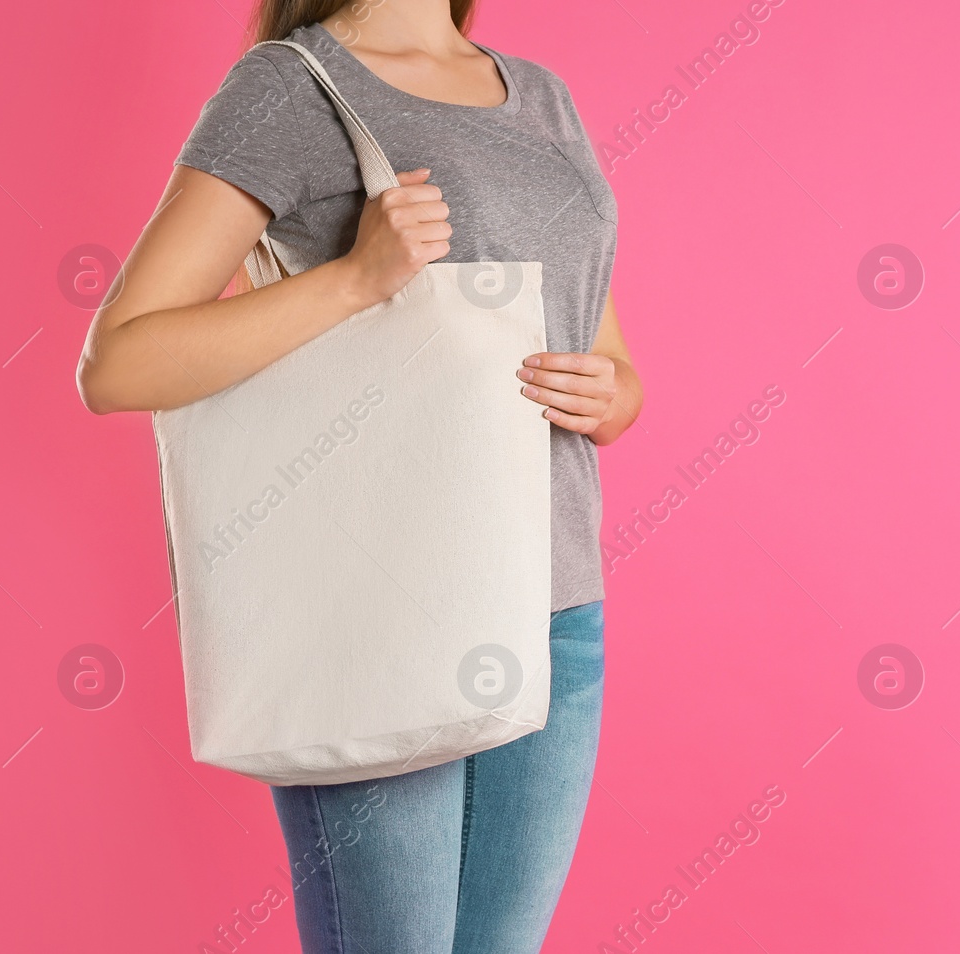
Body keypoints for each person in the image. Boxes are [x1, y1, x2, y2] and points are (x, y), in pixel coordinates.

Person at [74, 1, 642, 950]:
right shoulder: (294, 87)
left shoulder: (542, 97)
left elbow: (607, 353)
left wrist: (615, 397)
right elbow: (119, 363)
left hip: (558, 609)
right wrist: (354, 278)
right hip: (388, 613)